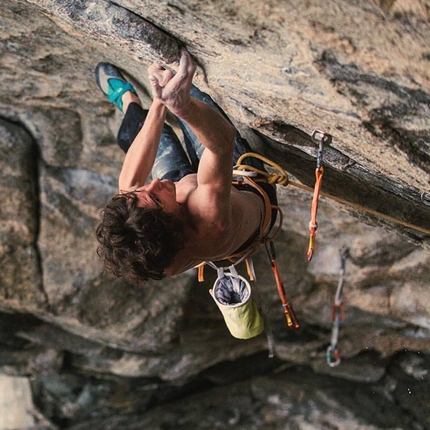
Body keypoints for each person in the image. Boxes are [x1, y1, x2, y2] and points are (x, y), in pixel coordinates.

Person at [95, 49, 277, 284]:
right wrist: (182, 107)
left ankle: (129, 102)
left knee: (143, 129)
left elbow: (129, 186)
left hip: (182, 195)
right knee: (183, 90)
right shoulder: (209, 218)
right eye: (157, 198)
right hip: (237, 181)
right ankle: (171, 104)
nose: (156, 183)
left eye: (143, 192)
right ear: (173, 226)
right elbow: (222, 143)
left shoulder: (144, 235)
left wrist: (159, 102)